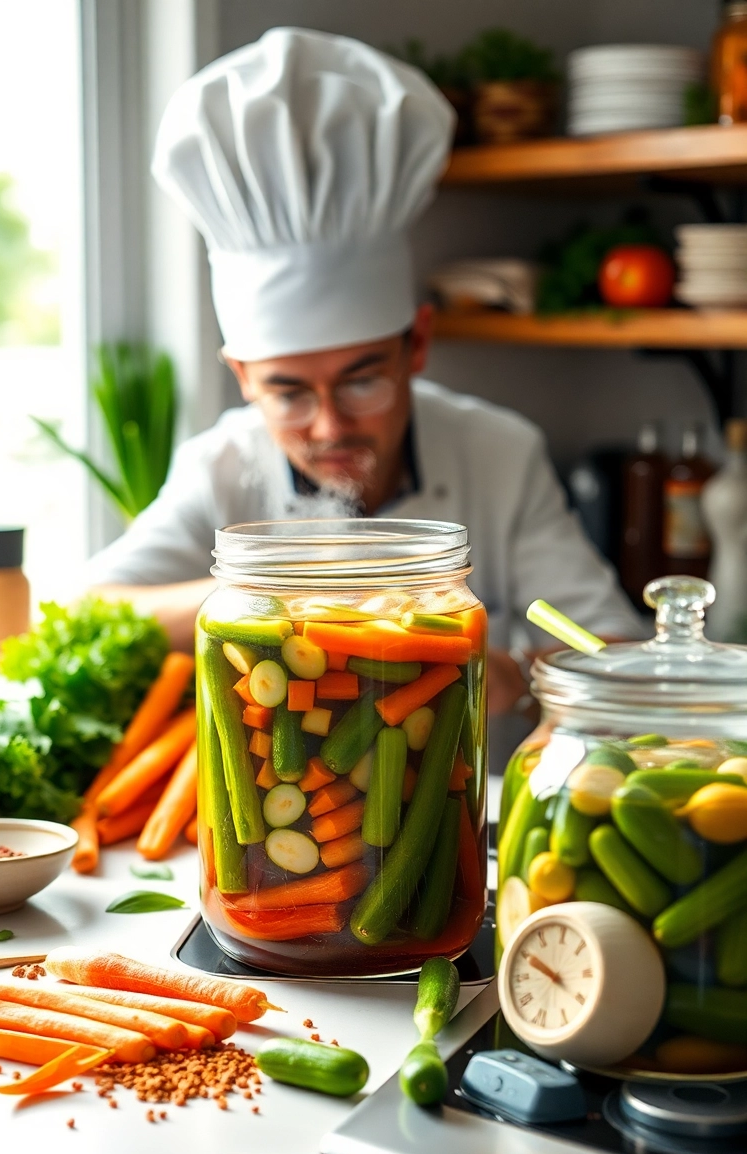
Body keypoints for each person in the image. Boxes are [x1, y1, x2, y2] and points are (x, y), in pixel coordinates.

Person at [87, 27, 642, 712]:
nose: (329, 424)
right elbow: (89, 613)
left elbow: (608, 645)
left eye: (361, 380)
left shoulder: (499, 452)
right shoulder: (220, 467)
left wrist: (515, 677)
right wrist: (279, 589)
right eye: (287, 391)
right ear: (242, 377)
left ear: (417, 346)